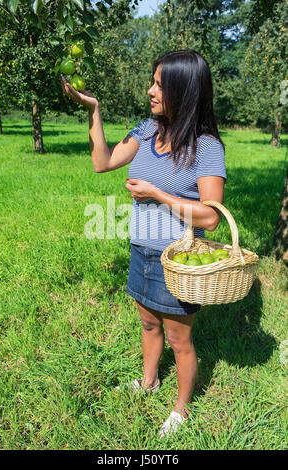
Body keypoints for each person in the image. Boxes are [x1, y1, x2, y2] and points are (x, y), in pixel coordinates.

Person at [61, 49, 227, 438]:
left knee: (178, 338)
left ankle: (183, 409)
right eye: (152, 81)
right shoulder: (147, 130)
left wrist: (157, 194)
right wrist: (93, 110)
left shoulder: (206, 147)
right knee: (148, 322)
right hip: (142, 250)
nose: (150, 90)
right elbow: (103, 162)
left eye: (159, 84)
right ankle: (149, 381)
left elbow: (212, 217)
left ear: (183, 91)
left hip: (178, 260)